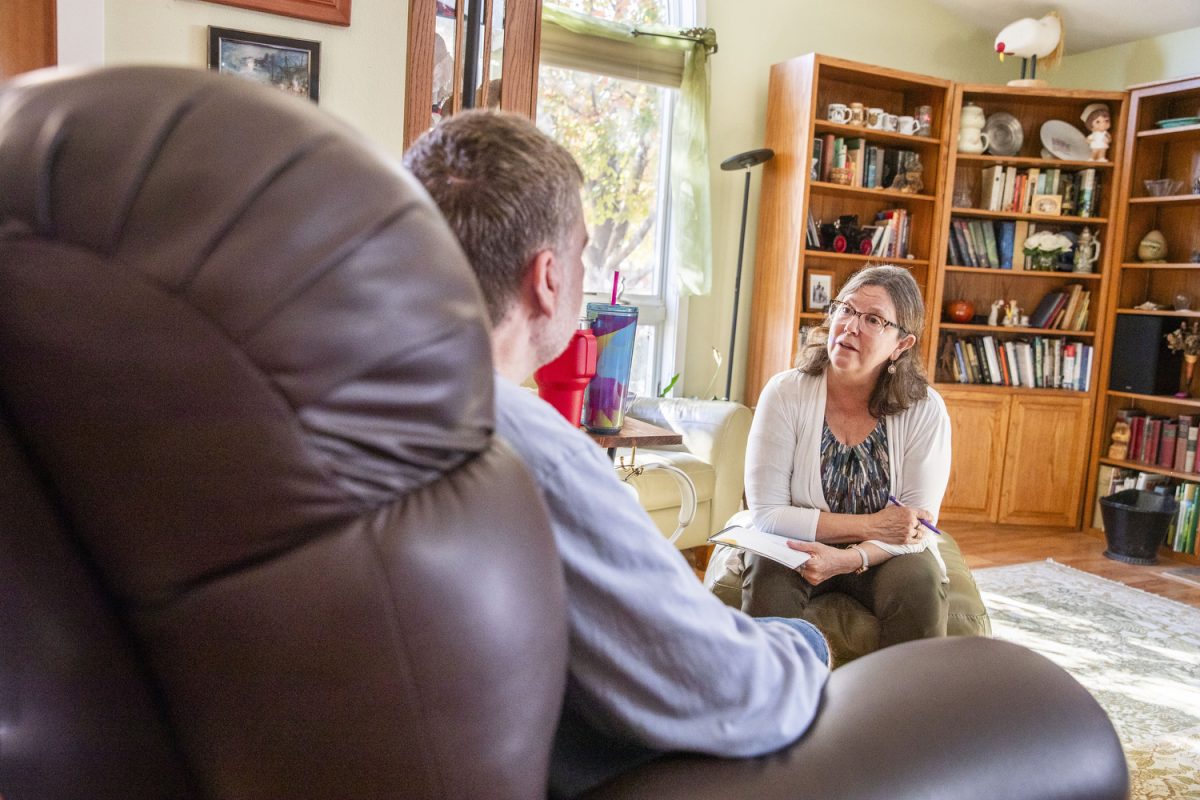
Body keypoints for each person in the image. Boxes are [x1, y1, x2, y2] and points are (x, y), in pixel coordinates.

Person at [402, 110, 830, 799]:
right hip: (554, 757)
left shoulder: (331, 391)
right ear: (546, 278)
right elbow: (729, 690)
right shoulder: (528, 452)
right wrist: (800, 655)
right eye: (580, 253)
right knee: (795, 643)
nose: (581, 271)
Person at [737, 265, 952, 652]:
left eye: (873, 320)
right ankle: (769, 706)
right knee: (768, 578)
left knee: (918, 584)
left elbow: (914, 528)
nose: (851, 326)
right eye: (846, 310)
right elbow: (768, 514)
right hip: (794, 541)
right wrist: (873, 524)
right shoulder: (785, 392)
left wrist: (849, 558)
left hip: (884, 556)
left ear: (901, 344)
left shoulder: (925, 409)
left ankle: (906, 710)